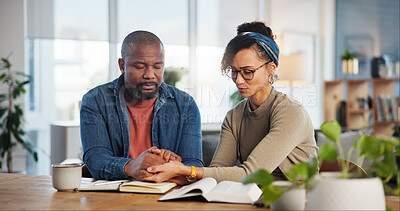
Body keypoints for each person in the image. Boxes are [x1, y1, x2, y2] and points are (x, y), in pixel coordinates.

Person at [144, 21, 318, 184]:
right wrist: (178, 170)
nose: (238, 80)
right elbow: (217, 171)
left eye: (248, 72)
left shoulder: (290, 112)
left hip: (299, 200)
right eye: (234, 71)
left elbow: (250, 174)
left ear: (271, 68)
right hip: (254, 198)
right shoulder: (234, 116)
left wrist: (187, 170)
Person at [80, 31, 203, 181]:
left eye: (157, 67)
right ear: (122, 65)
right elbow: (95, 159)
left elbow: (194, 164)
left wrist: (171, 166)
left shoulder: (186, 105)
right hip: (113, 195)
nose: (150, 75)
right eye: (140, 66)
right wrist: (132, 166)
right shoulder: (95, 101)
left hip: (166, 193)